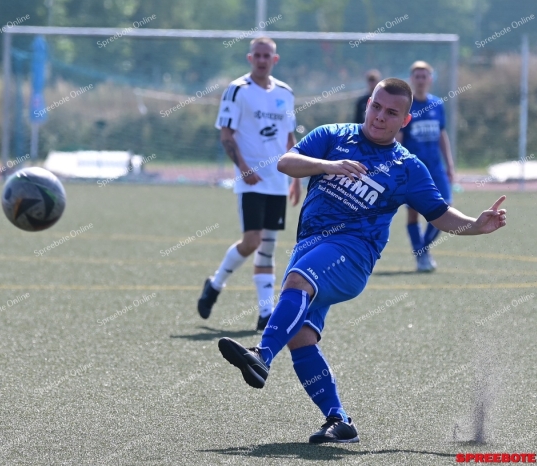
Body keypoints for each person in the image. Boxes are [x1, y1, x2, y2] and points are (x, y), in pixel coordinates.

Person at [216, 78, 507, 444]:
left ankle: (261, 355)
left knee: (296, 283)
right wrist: (328, 165)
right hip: (311, 246)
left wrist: (475, 226)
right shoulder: (333, 135)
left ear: (405, 121)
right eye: (377, 107)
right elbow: (287, 162)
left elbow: (439, 214)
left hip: (353, 255)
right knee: (302, 337)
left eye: (392, 113)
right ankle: (339, 421)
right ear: (368, 104)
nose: (380, 117)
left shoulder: (407, 167)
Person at [197, 37, 301, 331]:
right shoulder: (237, 90)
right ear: (249, 58)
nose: (262, 60)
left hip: (278, 181)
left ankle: (265, 313)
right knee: (252, 241)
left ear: (275, 60)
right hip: (251, 180)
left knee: (268, 246)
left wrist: (295, 179)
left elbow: (288, 138)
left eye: (267, 55)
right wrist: (243, 169)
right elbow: (226, 135)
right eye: (257, 55)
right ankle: (216, 284)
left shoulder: (285, 93)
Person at [397, 61, 456, 272]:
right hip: (414, 170)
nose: (421, 80)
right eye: (417, 76)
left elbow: (442, 134)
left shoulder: (438, 104)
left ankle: (422, 249)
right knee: (413, 213)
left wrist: (449, 164)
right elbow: (399, 137)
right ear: (411, 80)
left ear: (430, 80)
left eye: (424, 76)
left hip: (436, 168)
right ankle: (422, 257)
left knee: (445, 207)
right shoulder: (406, 106)